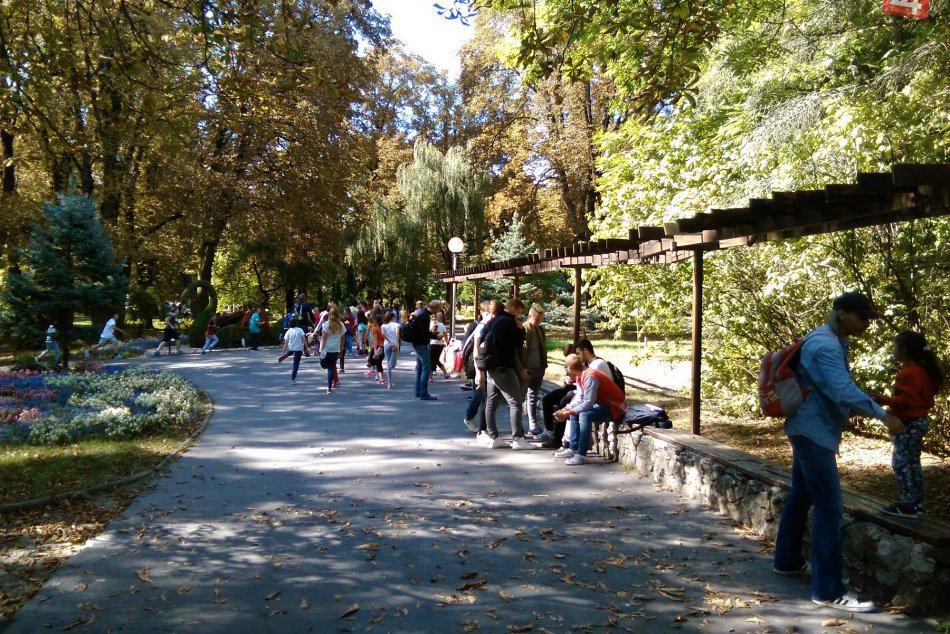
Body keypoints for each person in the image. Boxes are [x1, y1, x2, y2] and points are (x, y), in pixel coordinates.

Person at [772, 292, 904, 613]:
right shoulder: (826, 345)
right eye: (862, 318)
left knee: (801, 496)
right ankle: (828, 590)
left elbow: (833, 388)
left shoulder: (827, 338)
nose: (865, 325)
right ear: (842, 313)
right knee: (830, 507)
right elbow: (842, 389)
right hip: (812, 432)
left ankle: (787, 560)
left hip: (809, 428)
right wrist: (882, 414)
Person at [876, 331, 942, 519]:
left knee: (901, 463)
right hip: (918, 422)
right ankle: (916, 503)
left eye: (895, 346)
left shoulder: (909, 373)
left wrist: (882, 399)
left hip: (909, 424)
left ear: (904, 350)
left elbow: (907, 401)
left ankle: (908, 504)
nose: (892, 350)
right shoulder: (921, 371)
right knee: (912, 463)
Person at [553, 353, 627, 465]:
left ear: (570, 368)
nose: (566, 371)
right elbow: (580, 400)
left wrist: (568, 412)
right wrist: (565, 410)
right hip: (603, 405)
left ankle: (582, 455)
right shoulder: (581, 376)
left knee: (584, 414)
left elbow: (588, 403)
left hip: (615, 408)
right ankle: (572, 448)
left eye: (565, 367)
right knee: (575, 412)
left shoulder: (590, 376)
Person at [481, 298, 529, 449]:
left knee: (491, 401)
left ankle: (493, 436)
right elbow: (517, 343)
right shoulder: (509, 322)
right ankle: (518, 438)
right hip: (504, 367)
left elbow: (482, 336)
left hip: (491, 366)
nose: (520, 315)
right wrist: (520, 329)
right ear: (514, 308)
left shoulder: (493, 320)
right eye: (520, 311)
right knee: (515, 402)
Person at [541, 343, 578, 449]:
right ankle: (549, 430)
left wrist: (573, 380)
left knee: (562, 404)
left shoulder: (580, 363)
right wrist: (567, 381)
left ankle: (557, 439)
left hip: (576, 390)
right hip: (569, 387)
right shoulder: (568, 364)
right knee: (547, 399)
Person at [463, 301, 493, 433]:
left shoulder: (484, 324)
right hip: (476, 363)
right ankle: (469, 417)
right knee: (479, 393)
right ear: (482, 312)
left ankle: (483, 424)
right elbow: (471, 347)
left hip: (479, 363)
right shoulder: (478, 325)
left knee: (481, 393)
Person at [522, 304, 549, 437]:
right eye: (536, 319)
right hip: (527, 369)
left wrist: (543, 366)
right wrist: (522, 368)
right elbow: (520, 350)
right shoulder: (524, 328)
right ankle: (519, 426)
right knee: (520, 397)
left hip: (539, 368)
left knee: (533, 396)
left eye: (540, 319)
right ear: (530, 316)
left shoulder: (540, 329)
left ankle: (532, 425)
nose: (538, 321)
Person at [409, 300, 441, 400]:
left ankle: (418, 391)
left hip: (417, 343)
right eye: (439, 308)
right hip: (421, 344)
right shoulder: (425, 316)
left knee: (419, 367)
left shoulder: (422, 314)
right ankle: (423, 393)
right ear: (435, 308)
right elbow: (424, 333)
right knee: (426, 367)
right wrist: (436, 336)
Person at [319, 307, 345, 394]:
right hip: (335, 349)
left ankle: (329, 387)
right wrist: (341, 350)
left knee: (325, 365)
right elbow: (343, 338)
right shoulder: (341, 325)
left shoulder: (326, 324)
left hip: (327, 348)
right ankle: (329, 387)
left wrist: (321, 348)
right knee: (331, 367)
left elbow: (323, 337)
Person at [278, 317, 309, 383]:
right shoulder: (300, 330)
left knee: (290, 351)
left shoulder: (288, 331)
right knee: (296, 363)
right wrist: (307, 348)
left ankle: (286, 355)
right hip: (298, 349)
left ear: (289, 324)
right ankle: (293, 378)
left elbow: (286, 342)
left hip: (291, 347)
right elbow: (304, 339)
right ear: (296, 323)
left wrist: (283, 352)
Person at [380, 311, 400, 389]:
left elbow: (383, 334)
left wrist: (389, 341)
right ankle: (389, 382)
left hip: (387, 344)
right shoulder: (396, 324)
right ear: (393, 318)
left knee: (388, 363)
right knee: (392, 364)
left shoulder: (383, 325)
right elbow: (397, 333)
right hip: (394, 343)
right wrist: (396, 343)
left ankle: (389, 382)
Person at [429, 314, 449, 381]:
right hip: (440, 344)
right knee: (436, 360)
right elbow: (445, 334)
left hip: (432, 344)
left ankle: (430, 377)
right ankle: (446, 373)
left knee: (431, 360)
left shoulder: (430, 325)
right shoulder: (442, 325)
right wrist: (446, 342)